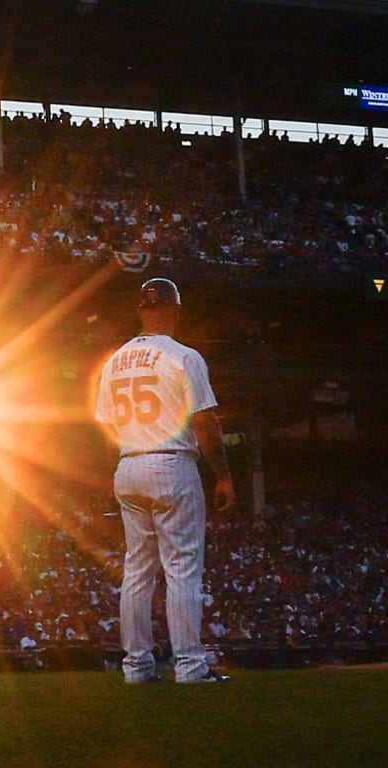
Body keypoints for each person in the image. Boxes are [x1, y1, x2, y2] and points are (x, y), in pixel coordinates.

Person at [94, 277, 235, 684]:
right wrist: (223, 476)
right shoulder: (183, 356)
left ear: (141, 309)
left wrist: (120, 472)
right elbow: (205, 422)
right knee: (182, 570)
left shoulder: (114, 360)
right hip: (172, 462)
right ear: (176, 309)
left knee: (136, 572)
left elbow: (105, 429)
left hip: (129, 462)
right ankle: (191, 667)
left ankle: (136, 667)